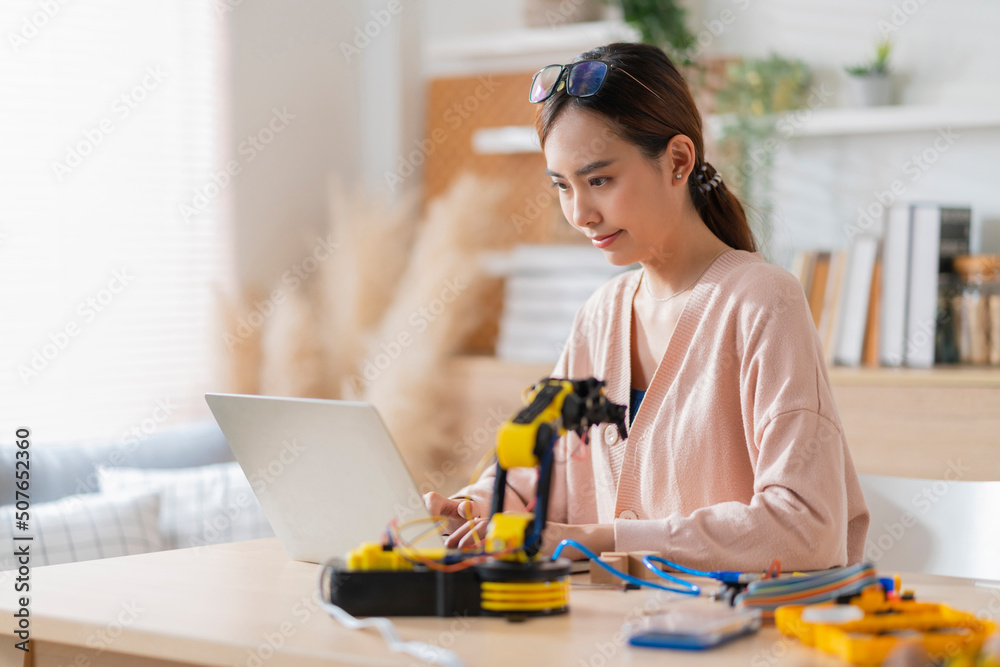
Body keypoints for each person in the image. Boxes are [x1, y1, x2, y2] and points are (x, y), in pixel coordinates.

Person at [424, 42, 869, 571]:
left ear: (678, 160)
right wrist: (477, 508)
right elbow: (541, 472)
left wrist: (604, 539)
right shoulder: (601, 314)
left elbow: (805, 529)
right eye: (562, 187)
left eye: (599, 181)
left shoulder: (763, 302)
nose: (580, 213)